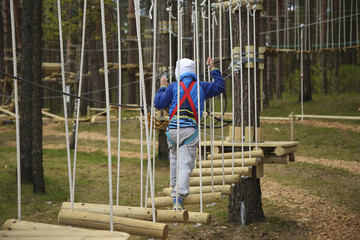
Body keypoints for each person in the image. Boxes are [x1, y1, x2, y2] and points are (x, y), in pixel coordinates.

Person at [154, 57, 225, 210]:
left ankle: (174, 190)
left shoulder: (173, 87)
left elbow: (158, 103)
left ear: (178, 72)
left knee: (174, 160)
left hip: (172, 131)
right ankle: (178, 198)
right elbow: (220, 86)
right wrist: (213, 68)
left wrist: (162, 87)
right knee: (185, 164)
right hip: (189, 131)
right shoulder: (202, 86)